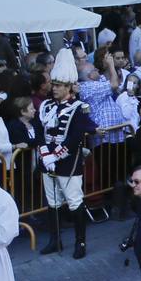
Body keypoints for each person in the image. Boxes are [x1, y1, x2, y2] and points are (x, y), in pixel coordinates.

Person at [38, 49, 97, 258]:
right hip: (47, 162)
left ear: (69, 87)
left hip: (68, 162)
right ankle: (55, 240)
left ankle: (80, 242)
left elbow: (74, 137)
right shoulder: (45, 106)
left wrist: (56, 156)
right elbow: (40, 132)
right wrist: (46, 154)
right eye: (54, 85)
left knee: (74, 201)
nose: (54, 89)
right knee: (52, 202)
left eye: (59, 85)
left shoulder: (79, 108)